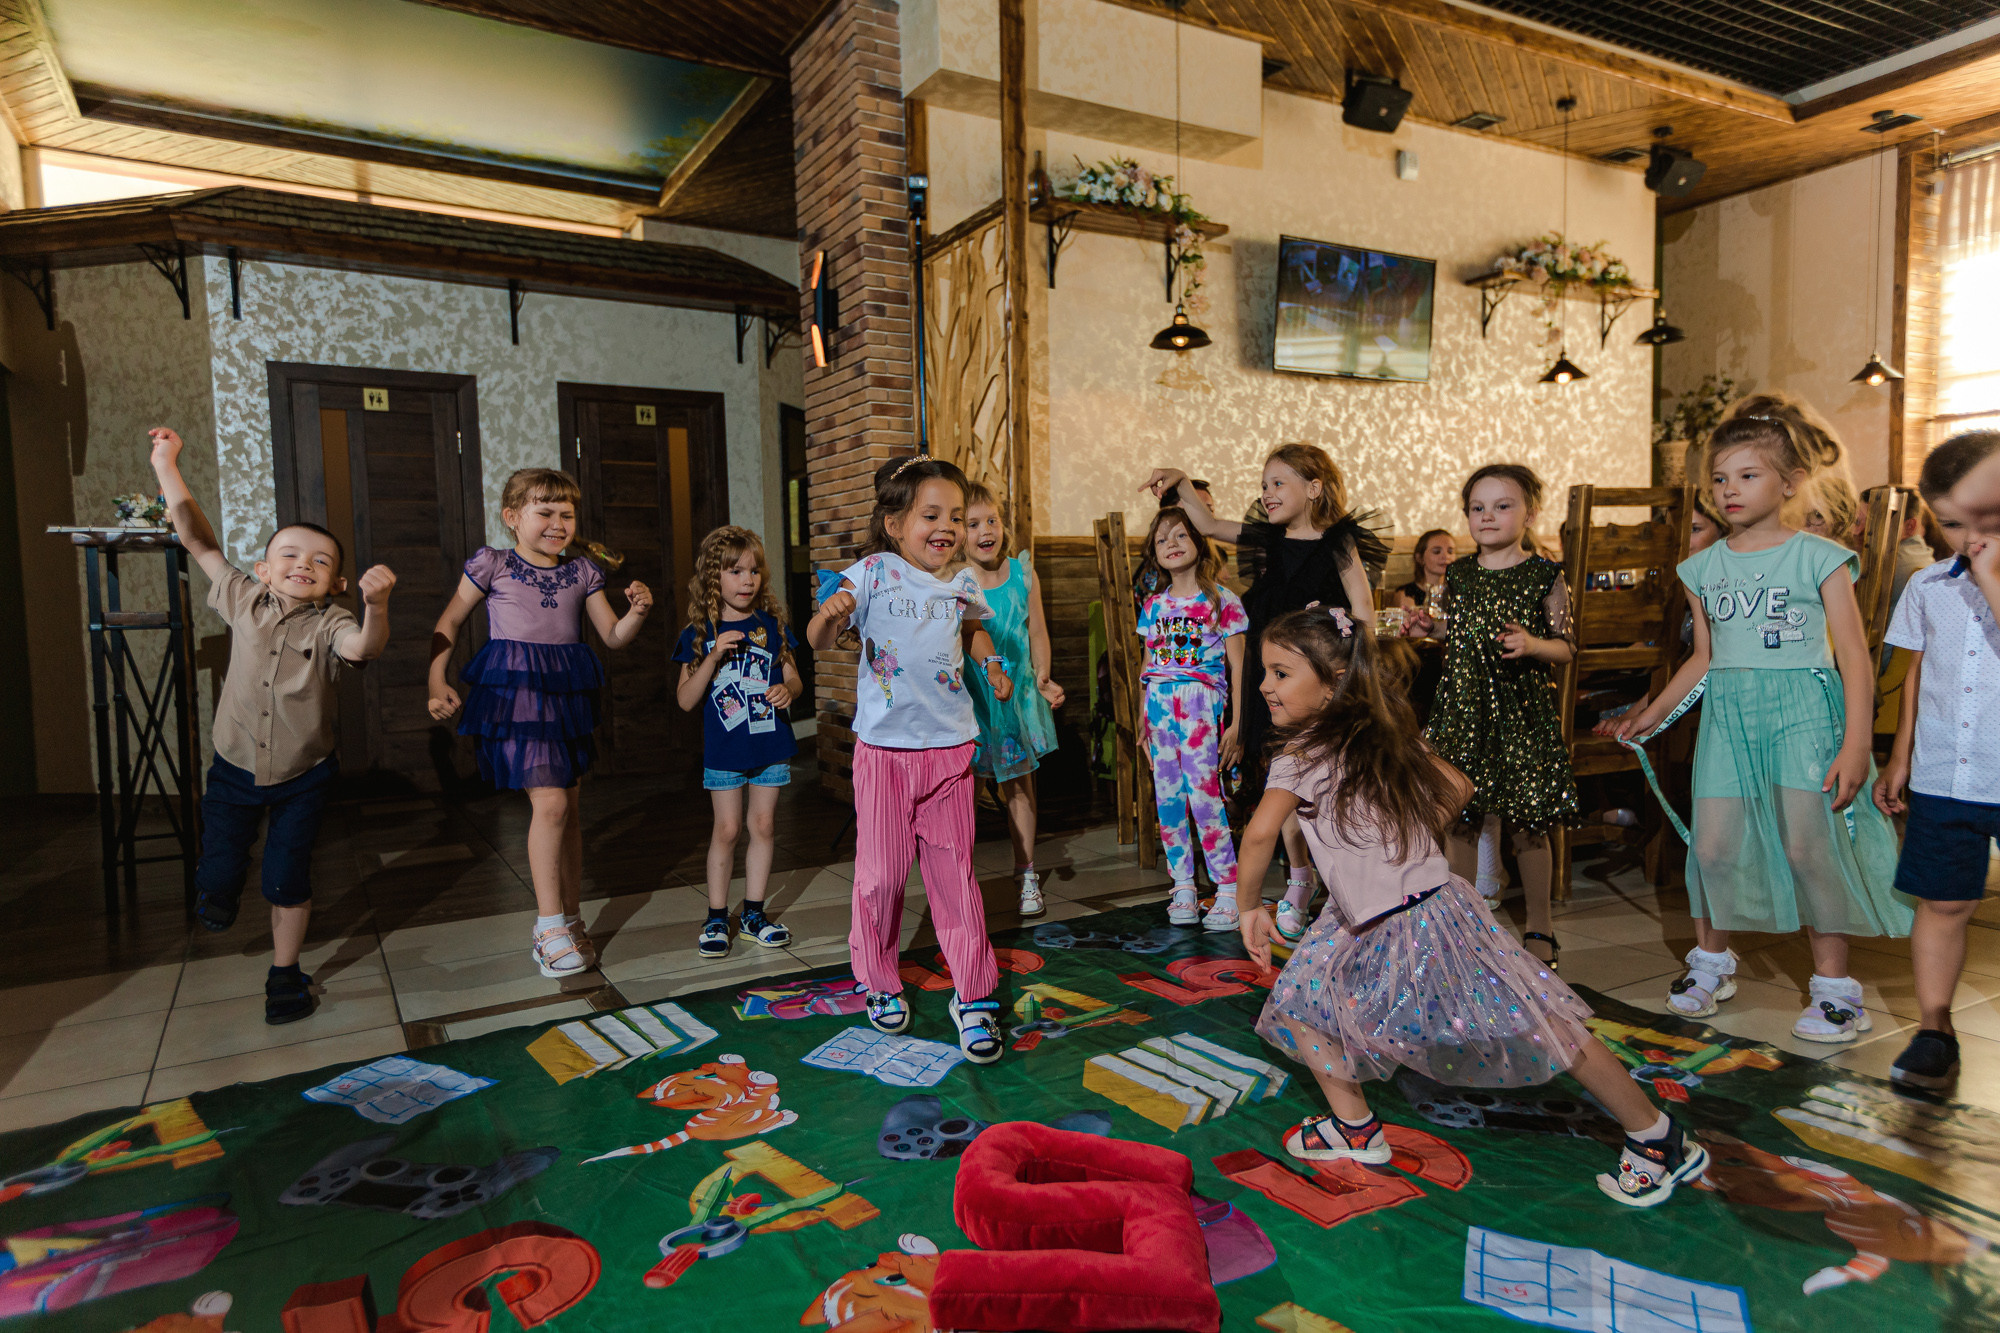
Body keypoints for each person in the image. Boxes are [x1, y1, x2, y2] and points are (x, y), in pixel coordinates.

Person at [1237, 607, 1705, 1208]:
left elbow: (1257, 836)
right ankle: (1355, 1129)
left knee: (1543, 1024)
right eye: (1265, 673)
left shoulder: (1299, 754)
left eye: (1279, 673)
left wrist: (1249, 905)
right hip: (1399, 909)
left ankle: (1657, 1137)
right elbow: (1457, 786)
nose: (1264, 687)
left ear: (1332, 683)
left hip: (1413, 921)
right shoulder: (1381, 730)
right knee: (1302, 995)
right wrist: (1400, 851)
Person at [1614, 405, 1910, 1041]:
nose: (1729, 491)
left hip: (1803, 713)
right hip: (1728, 717)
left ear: (1790, 481)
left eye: (1747, 476)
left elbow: (1855, 654)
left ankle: (1835, 991)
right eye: (1720, 479)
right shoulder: (1701, 568)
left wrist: (1857, 744)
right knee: (1714, 847)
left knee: (1810, 846)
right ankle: (1712, 965)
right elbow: (1705, 656)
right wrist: (1653, 713)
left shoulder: (1820, 557)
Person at [149, 427, 395, 1024]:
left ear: (337, 582)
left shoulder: (332, 621)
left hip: (304, 772)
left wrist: (377, 605)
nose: (302, 565)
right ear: (262, 568)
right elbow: (196, 537)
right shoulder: (240, 597)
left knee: (287, 876)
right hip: (233, 763)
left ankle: (284, 975)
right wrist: (167, 462)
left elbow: (365, 646)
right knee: (220, 871)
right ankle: (220, 886)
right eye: (288, 554)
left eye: (320, 561)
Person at [806, 456, 1015, 1065]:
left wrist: (993, 665)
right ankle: (877, 976)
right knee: (881, 877)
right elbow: (820, 640)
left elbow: (973, 630)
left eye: (955, 516)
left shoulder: (962, 583)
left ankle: (974, 995)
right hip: (885, 756)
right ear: (895, 523)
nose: (947, 527)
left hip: (949, 751)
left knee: (955, 880)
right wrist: (829, 615)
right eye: (931, 515)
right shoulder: (872, 572)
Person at [1140, 444, 1387, 941]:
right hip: (1272, 676)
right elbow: (1207, 526)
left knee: (1327, 783)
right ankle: (1299, 880)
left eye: (1278, 483)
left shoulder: (1338, 542)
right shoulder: (1269, 538)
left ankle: (1348, 883)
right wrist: (1182, 480)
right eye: (1264, 485)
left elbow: (1363, 607)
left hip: (1319, 678)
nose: (1267, 493)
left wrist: (1352, 667)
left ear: (1314, 488)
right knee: (1283, 778)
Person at [427, 468, 652, 979]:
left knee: (568, 811)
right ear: (513, 518)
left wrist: (636, 612)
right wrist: (435, 679)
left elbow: (613, 637)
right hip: (516, 697)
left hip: (564, 699)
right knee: (549, 805)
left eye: (566, 514)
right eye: (544, 512)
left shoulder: (583, 572)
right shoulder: (494, 564)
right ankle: (548, 927)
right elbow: (449, 622)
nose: (557, 523)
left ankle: (569, 920)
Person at [1404, 464, 1576, 969]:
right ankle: (1464, 920)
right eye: (1477, 508)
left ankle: (1540, 925)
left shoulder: (1545, 574)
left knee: (1528, 826)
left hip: (1520, 715)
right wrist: (1428, 627)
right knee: (1458, 817)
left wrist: (1533, 643)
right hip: (1463, 712)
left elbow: (1566, 649)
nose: (1488, 516)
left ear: (1530, 512)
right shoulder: (1458, 574)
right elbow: (1458, 629)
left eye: (1502, 506)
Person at [1873, 432, 2000, 1089]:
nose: (1970, 536)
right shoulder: (1926, 585)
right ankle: (1933, 1028)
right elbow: (1917, 674)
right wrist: (1899, 758)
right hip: (1945, 771)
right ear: (1928, 523)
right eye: (1953, 523)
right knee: (1942, 902)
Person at [674, 525, 803, 959]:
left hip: (769, 745)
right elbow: (686, 700)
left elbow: (793, 678)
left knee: (763, 826)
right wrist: (711, 656)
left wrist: (790, 690)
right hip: (726, 752)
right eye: (735, 571)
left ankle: (753, 914)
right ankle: (716, 916)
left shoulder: (772, 625)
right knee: (727, 829)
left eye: (753, 571)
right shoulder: (697, 632)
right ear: (715, 577)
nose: (747, 580)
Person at [1132, 508, 1249, 929]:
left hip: (1202, 705)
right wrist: (1143, 719)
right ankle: (1182, 883)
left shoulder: (1222, 600)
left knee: (1205, 796)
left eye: (1181, 536)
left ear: (1200, 542)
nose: (1173, 545)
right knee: (1168, 800)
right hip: (1161, 707)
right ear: (1154, 552)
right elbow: (1147, 667)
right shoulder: (1153, 605)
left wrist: (1237, 723)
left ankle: (1227, 888)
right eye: (1163, 540)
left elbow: (1239, 668)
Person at [959, 482, 1066, 918]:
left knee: (1020, 786)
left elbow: (1036, 630)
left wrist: (1043, 674)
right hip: (972, 700)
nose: (986, 531)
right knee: (965, 790)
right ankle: (958, 878)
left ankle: (1026, 873)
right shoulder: (955, 579)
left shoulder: (1023, 573)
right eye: (973, 523)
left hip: (1017, 696)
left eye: (992, 521)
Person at [1395, 528, 1454, 611]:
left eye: (1450, 552)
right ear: (1420, 558)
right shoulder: (1406, 593)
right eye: (1437, 552)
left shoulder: (1457, 591)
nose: (1446, 556)